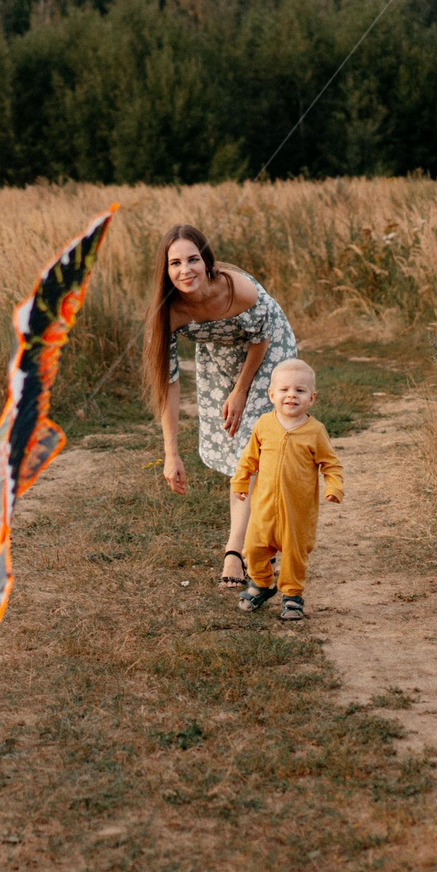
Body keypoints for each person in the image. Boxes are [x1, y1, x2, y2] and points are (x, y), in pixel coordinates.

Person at [144, 224, 301, 587]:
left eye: (193, 259)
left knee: (257, 445)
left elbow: (261, 338)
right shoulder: (168, 314)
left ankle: (237, 549)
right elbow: (168, 384)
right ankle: (267, 539)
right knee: (238, 452)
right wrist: (171, 454)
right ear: (165, 272)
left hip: (267, 350)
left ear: (207, 261)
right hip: (217, 357)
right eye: (175, 263)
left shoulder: (237, 289)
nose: (186, 270)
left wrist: (242, 390)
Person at [228, 358, 344, 622]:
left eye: (300, 391)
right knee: (254, 548)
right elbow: (248, 458)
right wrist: (240, 481)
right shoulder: (264, 425)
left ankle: (292, 596)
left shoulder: (315, 431)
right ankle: (262, 584)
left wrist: (334, 486)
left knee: (294, 555)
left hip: (297, 512)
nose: (291, 395)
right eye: (284, 390)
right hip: (264, 509)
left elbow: (331, 464)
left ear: (311, 398)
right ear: (272, 395)